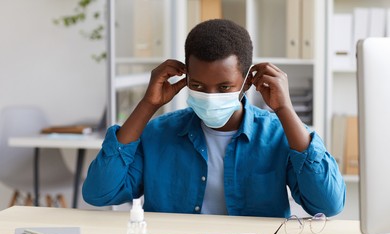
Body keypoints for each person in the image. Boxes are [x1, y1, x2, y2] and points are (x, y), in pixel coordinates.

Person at [82, 19, 345, 218]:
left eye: (224, 87)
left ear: (246, 81)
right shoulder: (158, 134)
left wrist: (285, 109)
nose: (209, 96)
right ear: (186, 79)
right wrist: (147, 105)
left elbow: (327, 205)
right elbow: (99, 193)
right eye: (197, 85)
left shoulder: (278, 135)